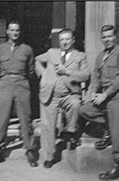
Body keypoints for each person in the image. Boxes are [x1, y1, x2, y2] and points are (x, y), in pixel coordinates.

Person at [79, 25, 119, 180]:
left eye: (110, 36)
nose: (107, 39)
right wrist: (90, 94)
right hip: (105, 96)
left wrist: (105, 94)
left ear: (115, 37)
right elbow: (96, 78)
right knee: (84, 110)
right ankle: (108, 129)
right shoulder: (100, 56)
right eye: (104, 37)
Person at [35, 28, 90, 169]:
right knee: (48, 126)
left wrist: (67, 71)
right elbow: (37, 60)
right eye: (62, 40)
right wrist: (43, 77)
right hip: (50, 95)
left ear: (73, 40)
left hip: (69, 95)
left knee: (76, 105)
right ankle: (49, 157)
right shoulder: (52, 53)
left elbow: (86, 75)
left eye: (67, 39)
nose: (64, 42)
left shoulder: (80, 56)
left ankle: (70, 131)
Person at [0, 20, 38, 167]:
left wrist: (20, 79)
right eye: (12, 30)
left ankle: (29, 150)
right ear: (7, 32)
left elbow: (30, 70)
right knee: (2, 117)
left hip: (22, 83)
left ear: (19, 32)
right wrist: (5, 79)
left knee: (25, 118)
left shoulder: (27, 49)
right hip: (5, 83)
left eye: (17, 30)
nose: (15, 33)